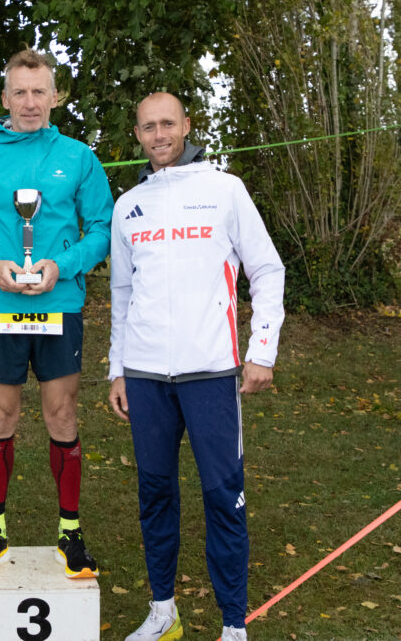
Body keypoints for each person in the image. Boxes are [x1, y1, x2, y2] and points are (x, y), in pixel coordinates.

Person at [109, 92, 285, 641]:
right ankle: (163, 612)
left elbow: (267, 269)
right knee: (155, 494)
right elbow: (122, 292)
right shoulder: (127, 205)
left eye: (168, 123)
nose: (159, 135)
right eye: (148, 127)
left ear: (186, 126)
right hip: (144, 376)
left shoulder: (225, 189)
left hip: (210, 372)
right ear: (137, 135)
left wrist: (261, 350)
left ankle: (234, 624)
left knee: (223, 496)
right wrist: (117, 368)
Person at [0, 48, 113, 579]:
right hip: (0, 305)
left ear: (55, 96)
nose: (30, 102)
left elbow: (102, 228)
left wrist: (62, 266)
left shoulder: (78, 157)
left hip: (59, 305)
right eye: (20, 92)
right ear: (5, 98)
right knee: (0, 417)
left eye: (39, 91)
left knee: (61, 415)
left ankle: (70, 533)